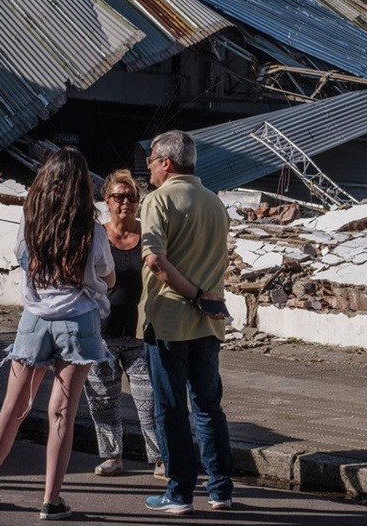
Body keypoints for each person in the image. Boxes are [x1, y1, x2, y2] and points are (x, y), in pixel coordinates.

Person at [0, 147, 114, 520]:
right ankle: (51, 500)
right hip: (78, 322)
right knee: (62, 411)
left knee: (13, 407)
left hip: (33, 320)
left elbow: (20, 258)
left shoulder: (28, 221)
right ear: (82, 186)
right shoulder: (92, 231)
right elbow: (107, 276)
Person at [139, 130, 233, 515]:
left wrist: (191, 295)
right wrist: (204, 298)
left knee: (172, 408)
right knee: (209, 406)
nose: (147, 167)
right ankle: (220, 490)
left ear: (166, 162)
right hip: (209, 322)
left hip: (169, 320)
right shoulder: (215, 203)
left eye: (150, 160)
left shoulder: (158, 200)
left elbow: (154, 260)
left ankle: (178, 492)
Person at [83, 169, 164, 480]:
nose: (125, 202)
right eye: (119, 197)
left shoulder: (148, 236)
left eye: (131, 197)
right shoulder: (97, 235)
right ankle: (112, 456)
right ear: (107, 200)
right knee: (103, 400)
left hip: (140, 333)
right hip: (101, 333)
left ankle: (159, 458)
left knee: (149, 401)